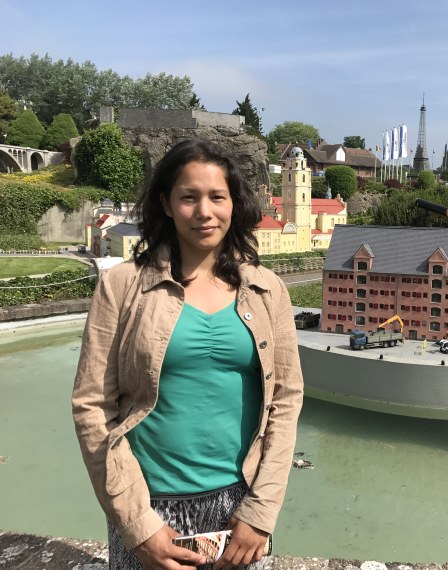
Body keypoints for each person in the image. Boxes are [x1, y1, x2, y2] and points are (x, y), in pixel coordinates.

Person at [72, 139, 304, 570]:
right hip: (147, 503)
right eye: (188, 197)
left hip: (241, 509)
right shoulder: (122, 286)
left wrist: (262, 511)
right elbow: (91, 406)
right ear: (165, 202)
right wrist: (138, 524)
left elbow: (286, 402)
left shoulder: (268, 290)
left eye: (218, 196)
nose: (204, 212)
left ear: (234, 203)